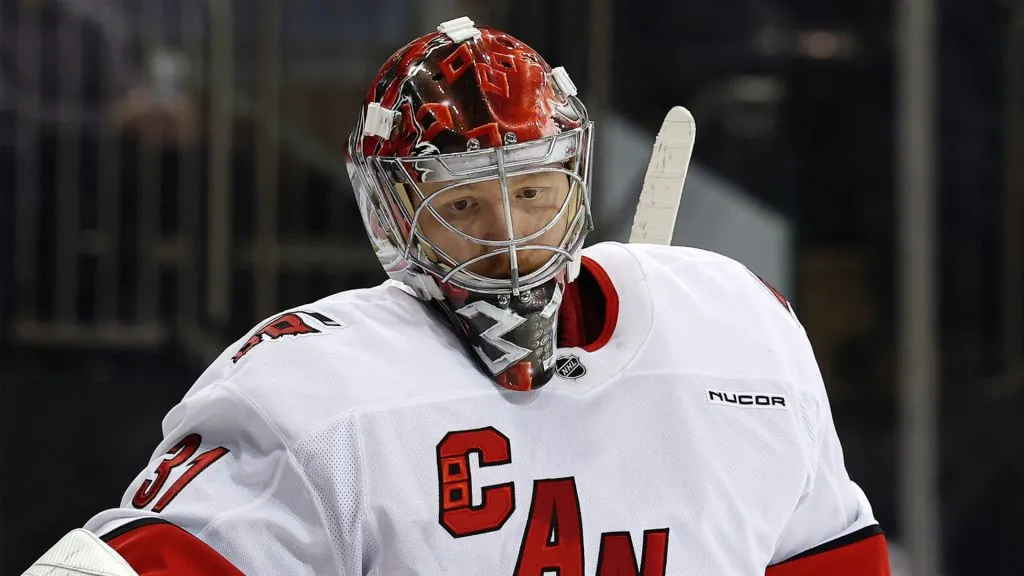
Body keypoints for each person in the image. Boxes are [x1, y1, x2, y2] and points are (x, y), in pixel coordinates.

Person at [23, 16, 891, 576]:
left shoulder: (735, 330)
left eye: (532, 193)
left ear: (576, 182)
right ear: (392, 216)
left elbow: (829, 558)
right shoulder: (313, 394)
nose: (508, 240)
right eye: (464, 205)